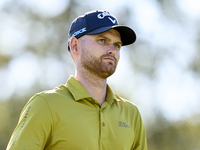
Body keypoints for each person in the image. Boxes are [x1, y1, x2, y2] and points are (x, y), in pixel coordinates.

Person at [7, 10, 148, 150]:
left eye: (117, 45)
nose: (112, 50)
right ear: (75, 46)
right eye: (102, 40)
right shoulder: (45, 106)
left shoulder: (131, 114)